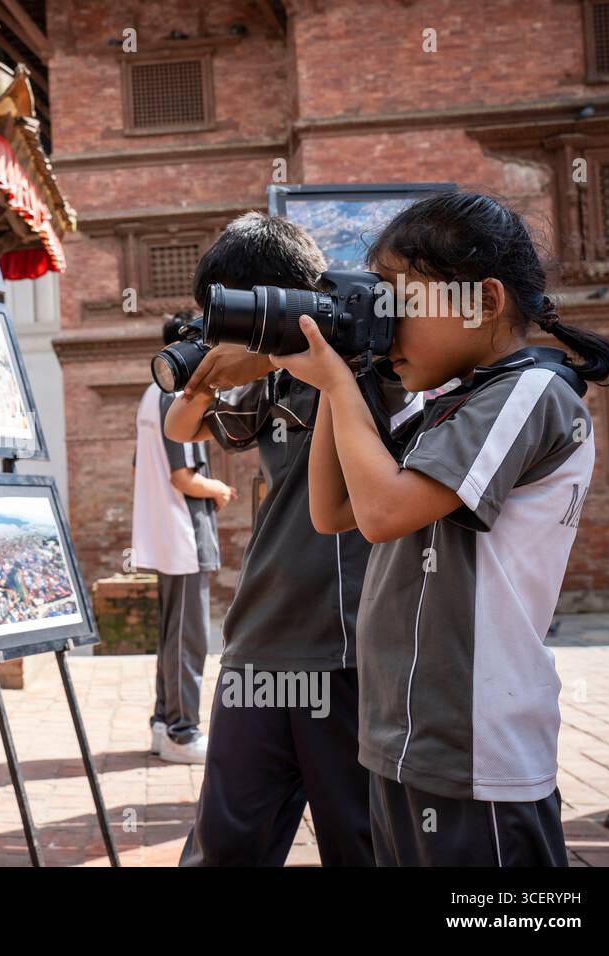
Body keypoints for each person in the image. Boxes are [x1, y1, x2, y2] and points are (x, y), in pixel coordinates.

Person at [279, 191, 609, 866]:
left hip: (477, 747)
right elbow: (336, 510)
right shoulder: (447, 404)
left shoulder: (531, 394)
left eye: (400, 304)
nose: (387, 325)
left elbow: (382, 514)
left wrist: (345, 391)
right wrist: (335, 379)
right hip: (404, 731)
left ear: (484, 301)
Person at [166, 212, 413, 866]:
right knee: (225, 846)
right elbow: (180, 418)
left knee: (359, 843)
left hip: (348, 648)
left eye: (234, 312)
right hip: (258, 640)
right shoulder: (270, 379)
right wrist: (211, 370)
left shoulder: (374, 363)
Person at [132, 312, 232, 764]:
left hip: (163, 530)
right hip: (184, 531)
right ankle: (182, 730)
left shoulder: (150, 394)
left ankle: (162, 723)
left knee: (172, 633)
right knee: (188, 638)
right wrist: (221, 489)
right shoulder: (179, 395)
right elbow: (184, 477)